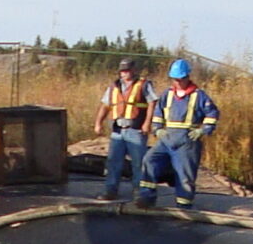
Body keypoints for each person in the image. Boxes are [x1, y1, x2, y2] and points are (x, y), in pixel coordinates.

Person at [134, 59, 219, 208]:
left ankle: (184, 205)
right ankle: (147, 197)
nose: (178, 82)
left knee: (184, 175)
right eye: (175, 79)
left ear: (187, 77)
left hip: (187, 142)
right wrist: (158, 128)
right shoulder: (168, 94)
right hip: (166, 139)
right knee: (149, 160)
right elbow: (158, 112)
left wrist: (202, 130)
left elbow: (212, 113)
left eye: (180, 79)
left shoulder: (198, 95)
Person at [94, 57, 156, 201]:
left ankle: (139, 193)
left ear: (134, 70)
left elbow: (152, 103)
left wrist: (147, 123)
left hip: (136, 130)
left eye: (127, 70)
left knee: (138, 163)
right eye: (122, 70)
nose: (124, 73)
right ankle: (110, 191)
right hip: (117, 131)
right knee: (113, 162)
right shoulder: (114, 87)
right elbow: (105, 105)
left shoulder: (143, 85)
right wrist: (98, 123)